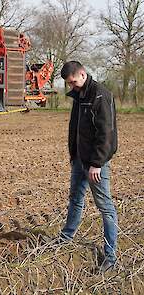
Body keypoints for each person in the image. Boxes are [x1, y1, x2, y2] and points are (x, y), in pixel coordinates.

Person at [58, 61, 118, 273]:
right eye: (68, 83)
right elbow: (75, 128)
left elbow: (106, 134)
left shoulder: (100, 96)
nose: (71, 86)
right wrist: (74, 156)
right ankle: (67, 236)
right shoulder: (79, 95)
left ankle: (110, 256)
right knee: (75, 198)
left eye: (73, 82)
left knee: (105, 208)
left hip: (95, 165)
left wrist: (96, 163)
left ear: (82, 74)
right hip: (80, 160)